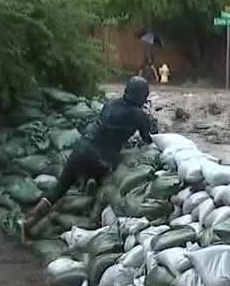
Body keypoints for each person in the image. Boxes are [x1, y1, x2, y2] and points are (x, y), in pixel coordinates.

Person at [22, 76, 155, 235]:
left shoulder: (111, 104)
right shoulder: (139, 115)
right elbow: (149, 138)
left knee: (61, 186)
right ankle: (91, 184)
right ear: (142, 96)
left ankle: (28, 221)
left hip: (82, 147)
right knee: (113, 170)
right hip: (101, 158)